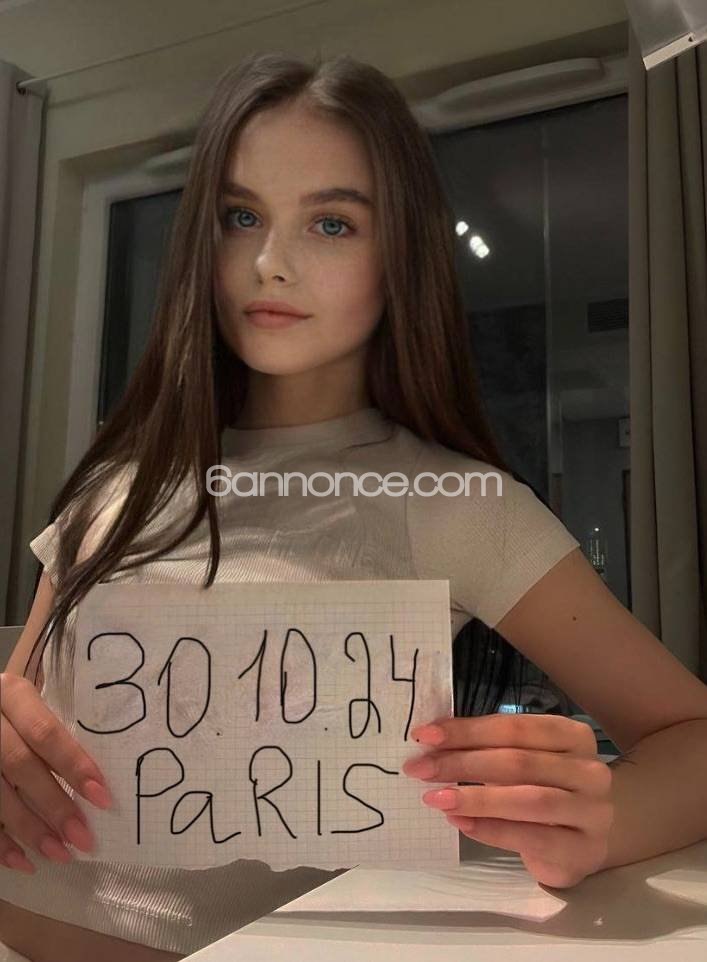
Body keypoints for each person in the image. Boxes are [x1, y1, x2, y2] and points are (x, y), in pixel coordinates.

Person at [2, 50, 706, 962]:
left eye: (331, 223)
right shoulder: (116, 488)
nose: (269, 263)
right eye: (240, 216)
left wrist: (600, 820)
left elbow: (691, 736)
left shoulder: (454, 505)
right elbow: (23, 708)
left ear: (398, 254)